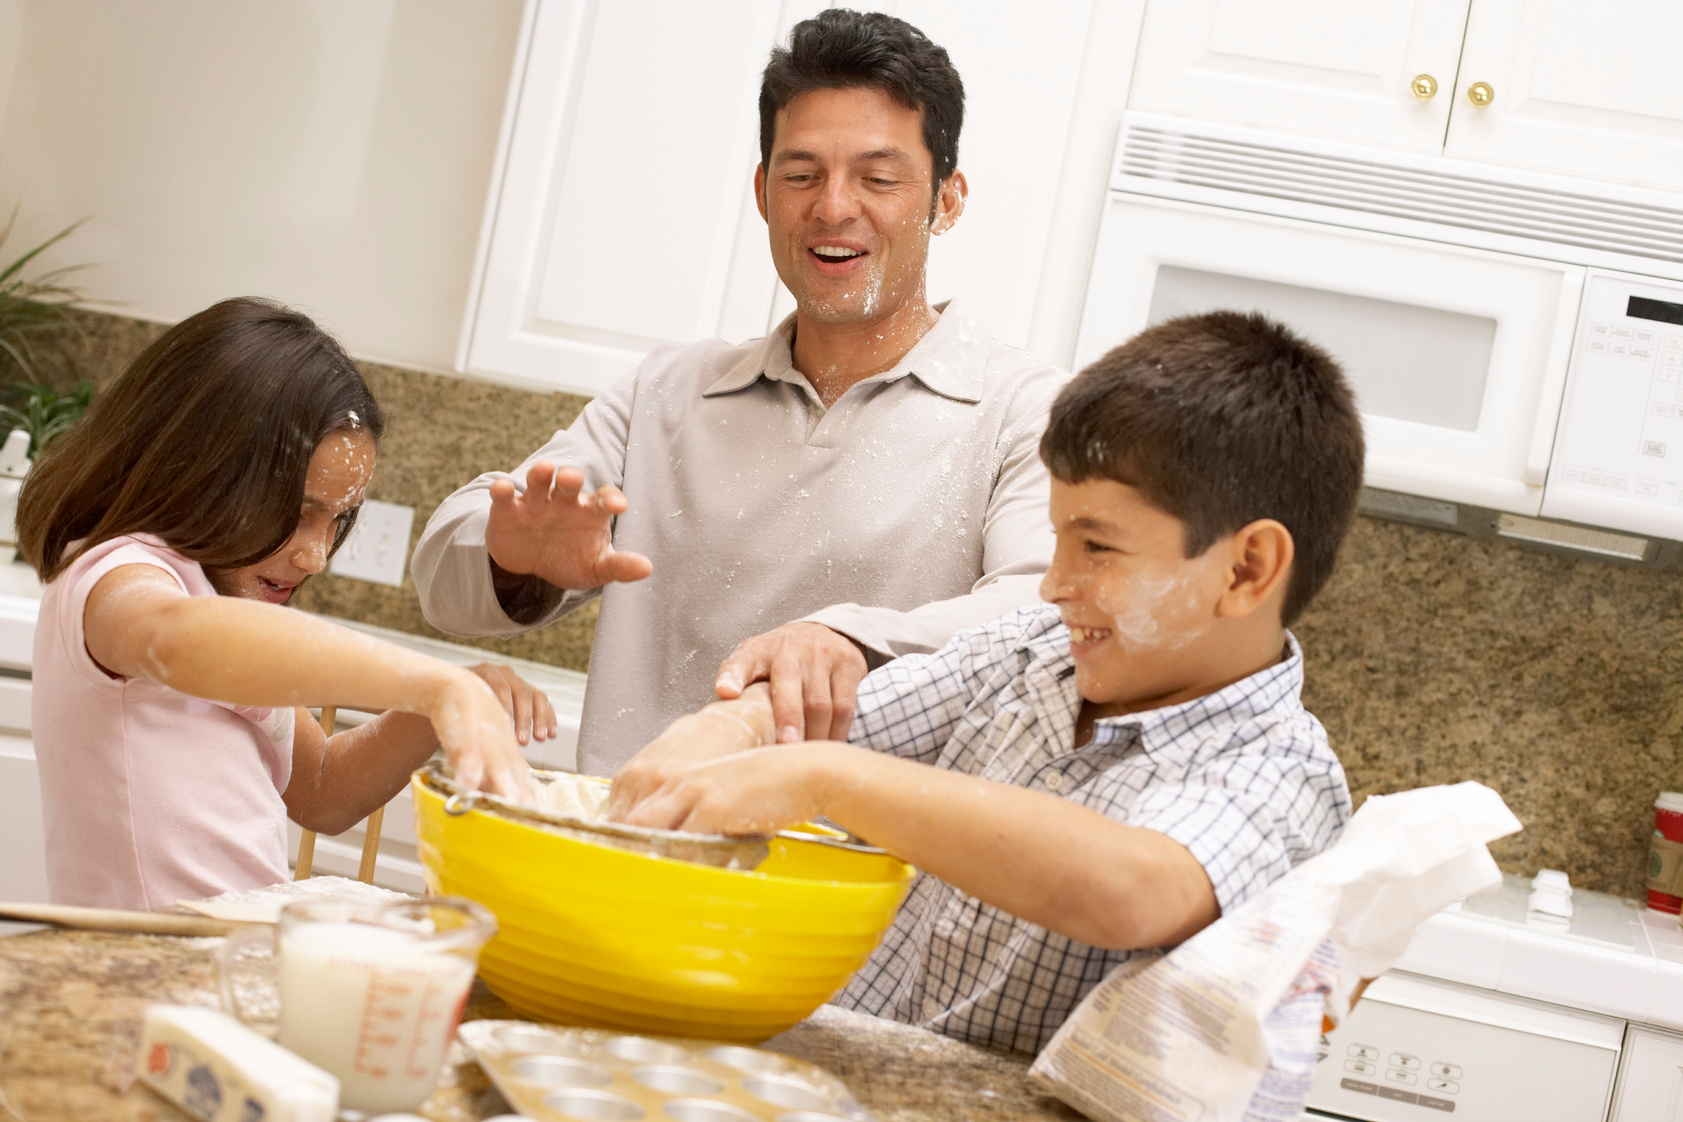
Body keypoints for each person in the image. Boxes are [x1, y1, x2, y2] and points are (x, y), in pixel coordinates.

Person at [607, 311, 1363, 1054]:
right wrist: (731, 729)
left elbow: (1132, 889)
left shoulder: (1280, 773)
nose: (1055, 585)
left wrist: (825, 778)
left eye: (1096, 546)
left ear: (1246, 569)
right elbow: (812, 719)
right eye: (1058, 536)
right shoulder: (1030, 654)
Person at [413, 9, 1065, 776]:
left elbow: (1048, 611)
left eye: (878, 178)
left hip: (854, 882)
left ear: (946, 199)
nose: (831, 207)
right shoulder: (667, 392)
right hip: (634, 854)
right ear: (762, 192)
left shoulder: (1026, 412)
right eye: (801, 175)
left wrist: (846, 639)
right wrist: (510, 557)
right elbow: (444, 584)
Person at [19, 297, 541, 912]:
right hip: (136, 977)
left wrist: (448, 701)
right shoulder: (118, 578)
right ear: (200, 468)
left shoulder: (216, 598)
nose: (315, 556)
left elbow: (322, 790)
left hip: (218, 967)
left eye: (337, 521)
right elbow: (172, 637)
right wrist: (434, 686)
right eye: (297, 514)